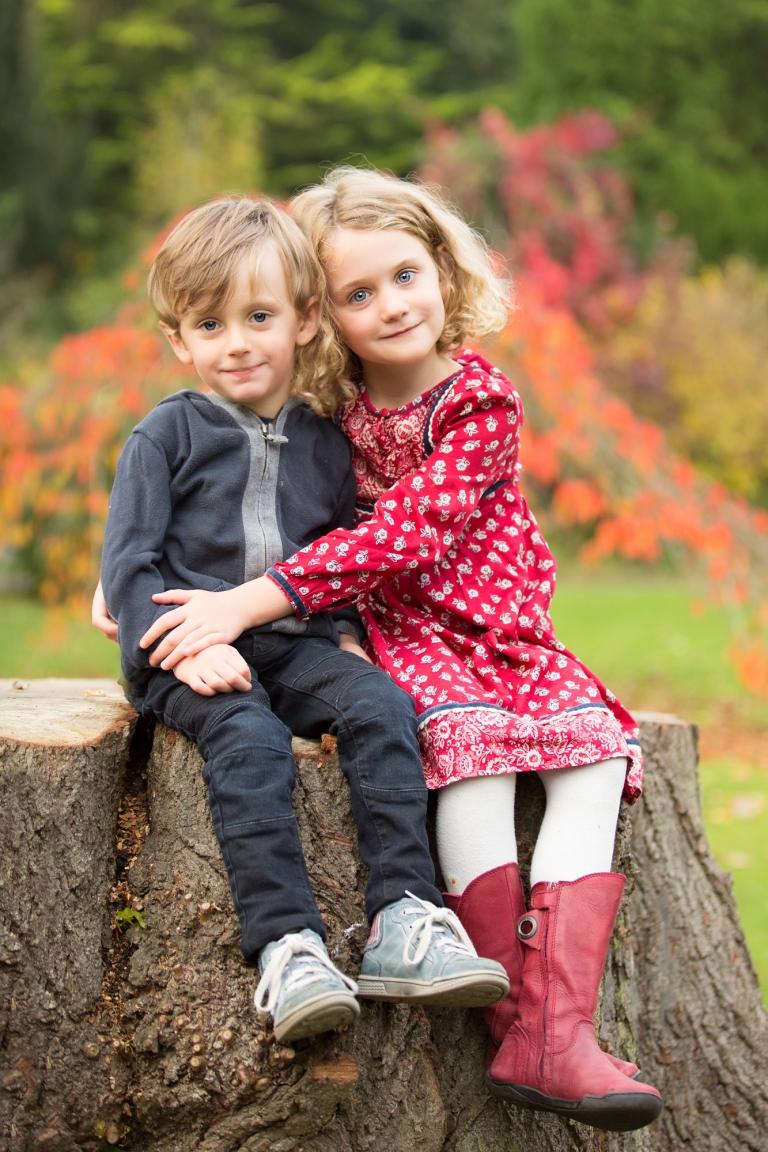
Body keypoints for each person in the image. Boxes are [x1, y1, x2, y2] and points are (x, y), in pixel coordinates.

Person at [100, 172, 663, 1131]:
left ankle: (550, 1025)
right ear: (327, 316)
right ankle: (489, 1013)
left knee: (596, 762)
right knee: (468, 760)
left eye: (404, 276)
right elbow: (161, 540)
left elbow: (397, 532)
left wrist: (284, 616)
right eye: (359, 293)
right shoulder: (320, 412)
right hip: (392, 637)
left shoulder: (469, 403)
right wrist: (131, 591)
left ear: (441, 267)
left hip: (492, 633)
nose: (392, 305)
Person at [97, 195, 510, 1047]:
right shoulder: (165, 435)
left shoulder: (325, 436)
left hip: (298, 645)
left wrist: (349, 637)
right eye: (210, 325)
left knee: (381, 705)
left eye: (258, 317)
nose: (237, 343)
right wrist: (172, 654)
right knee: (247, 738)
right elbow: (128, 565)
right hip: (188, 651)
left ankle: (405, 916)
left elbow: (337, 549)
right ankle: (288, 947)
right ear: (179, 340)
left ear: (306, 320)